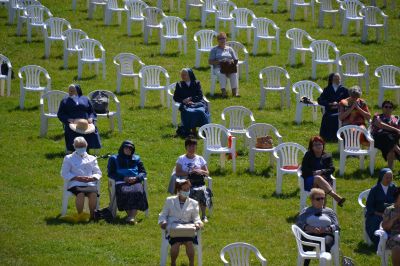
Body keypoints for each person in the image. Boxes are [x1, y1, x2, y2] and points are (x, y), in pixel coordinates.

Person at [159, 179, 203, 266]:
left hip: (188, 230)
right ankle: (173, 263)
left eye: (188, 189)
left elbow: (196, 218)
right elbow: (163, 215)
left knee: (189, 243)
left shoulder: (194, 203)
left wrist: (199, 223)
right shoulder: (169, 200)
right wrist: (162, 222)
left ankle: (191, 263)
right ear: (178, 190)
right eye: (184, 190)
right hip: (174, 230)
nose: (187, 191)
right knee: (176, 243)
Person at [61, 137, 102, 221]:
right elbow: (64, 173)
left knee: (93, 194)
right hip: (76, 183)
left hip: (89, 183)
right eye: (78, 146)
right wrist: (77, 178)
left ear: (86, 146)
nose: (81, 148)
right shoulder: (69, 158)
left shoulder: (92, 158)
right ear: (75, 147)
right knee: (81, 194)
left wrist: (92, 178)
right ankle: (80, 215)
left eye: (82, 146)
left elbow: (98, 172)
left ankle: (92, 215)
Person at [107, 140, 148, 224]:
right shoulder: (114, 158)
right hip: (121, 181)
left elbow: (143, 172)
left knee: (137, 191)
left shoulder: (137, 158)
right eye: (126, 148)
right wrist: (123, 178)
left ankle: (131, 217)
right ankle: (131, 217)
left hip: (135, 181)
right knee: (126, 192)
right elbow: (111, 173)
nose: (128, 150)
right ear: (122, 148)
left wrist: (137, 178)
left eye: (130, 148)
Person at [296, 188, 340, 266]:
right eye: (318, 199)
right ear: (312, 200)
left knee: (326, 244)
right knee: (308, 245)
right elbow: (299, 223)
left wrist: (326, 229)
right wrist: (310, 228)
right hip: (309, 235)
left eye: (323, 198)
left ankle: (325, 263)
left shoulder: (329, 211)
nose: (321, 201)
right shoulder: (306, 211)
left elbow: (336, 226)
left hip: (326, 234)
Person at [173, 138, 212, 222]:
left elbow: (207, 173)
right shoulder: (181, 158)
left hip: (199, 183)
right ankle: (189, 215)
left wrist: (200, 171)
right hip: (185, 182)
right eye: (190, 146)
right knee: (190, 191)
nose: (192, 148)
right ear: (186, 147)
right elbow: (177, 172)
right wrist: (189, 172)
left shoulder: (200, 158)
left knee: (202, 191)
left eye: (194, 146)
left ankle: (203, 215)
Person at [301, 136, 346, 207]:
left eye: (320, 144)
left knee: (320, 183)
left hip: (325, 181)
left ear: (323, 145)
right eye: (315, 144)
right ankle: (335, 197)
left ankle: (319, 209)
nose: (318, 146)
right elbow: (304, 170)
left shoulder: (327, 156)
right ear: (312, 147)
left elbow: (332, 168)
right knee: (318, 178)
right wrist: (314, 173)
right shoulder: (308, 155)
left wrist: (322, 171)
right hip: (310, 180)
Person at [57, 84, 101, 153]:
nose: (70, 92)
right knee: (71, 132)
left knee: (93, 131)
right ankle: (72, 150)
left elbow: (92, 111)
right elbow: (60, 114)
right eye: (69, 91)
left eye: (72, 91)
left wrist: (91, 118)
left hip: (86, 123)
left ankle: (89, 149)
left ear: (77, 91)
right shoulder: (64, 101)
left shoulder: (85, 99)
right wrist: (68, 119)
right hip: (73, 123)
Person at [173, 68, 210, 137]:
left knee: (200, 112)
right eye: (182, 75)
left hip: (197, 103)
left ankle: (205, 130)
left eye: (184, 75)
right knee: (188, 112)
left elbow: (200, 96)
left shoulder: (196, 83)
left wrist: (191, 99)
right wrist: (183, 101)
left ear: (189, 75)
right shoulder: (179, 85)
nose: (183, 76)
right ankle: (189, 131)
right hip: (186, 105)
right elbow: (175, 97)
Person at [366, 168, 396, 249]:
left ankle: (392, 242)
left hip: (391, 213)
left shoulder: (394, 188)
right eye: (387, 178)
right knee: (374, 224)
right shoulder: (374, 189)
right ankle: (379, 244)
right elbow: (369, 206)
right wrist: (381, 214)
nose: (389, 180)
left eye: (391, 178)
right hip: (376, 214)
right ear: (381, 177)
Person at [317, 73, 349, 142]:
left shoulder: (344, 90)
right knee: (328, 118)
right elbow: (320, 100)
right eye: (336, 78)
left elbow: (348, 100)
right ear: (332, 80)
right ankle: (328, 138)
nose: (338, 80)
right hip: (330, 110)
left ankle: (338, 137)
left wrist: (340, 104)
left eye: (339, 78)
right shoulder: (327, 89)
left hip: (341, 110)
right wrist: (330, 104)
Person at [371, 100, 400, 169]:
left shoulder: (396, 118)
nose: (388, 108)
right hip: (379, 139)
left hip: (392, 140)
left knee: (391, 150)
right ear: (382, 108)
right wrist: (395, 129)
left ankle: (390, 171)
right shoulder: (377, 116)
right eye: (386, 106)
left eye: (390, 107)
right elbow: (380, 125)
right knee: (386, 135)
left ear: (392, 109)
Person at [208, 32, 239, 97]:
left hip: (229, 67)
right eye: (220, 39)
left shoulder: (230, 49)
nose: (222, 40)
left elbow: (235, 59)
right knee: (222, 73)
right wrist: (220, 62)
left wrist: (231, 62)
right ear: (217, 40)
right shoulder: (214, 49)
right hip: (218, 67)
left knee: (233, 73)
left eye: (223, 38)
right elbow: (210, 61)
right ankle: (224, 92)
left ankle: (234, 92)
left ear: (226, 39)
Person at [382, 187, 400, 266]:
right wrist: (395, 217)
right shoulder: (389, 210)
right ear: (397, 198)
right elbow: (385, 227)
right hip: (393, 238)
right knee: (397, 249)